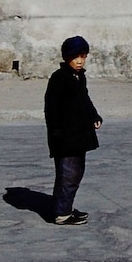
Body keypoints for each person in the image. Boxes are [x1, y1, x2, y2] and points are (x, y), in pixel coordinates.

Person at [44, 36, 103, 225]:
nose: (80, 61)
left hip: (78, 136)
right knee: (68, 175)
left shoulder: (78, 77)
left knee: (75, 173)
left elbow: (85, 100)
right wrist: (57, 133)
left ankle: (64, 208)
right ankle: (61, 214)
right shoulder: (59, 78)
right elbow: (51, 109)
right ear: (66, 57)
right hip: (65, 138)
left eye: (83, 57)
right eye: (76, 57)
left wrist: (94, 116)